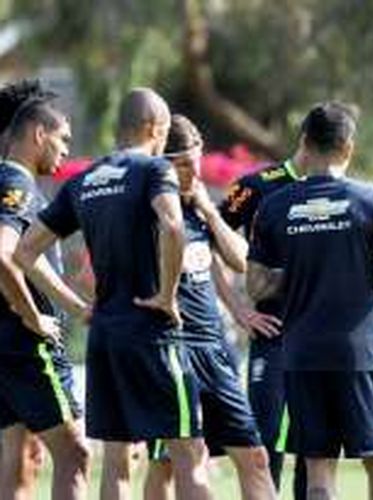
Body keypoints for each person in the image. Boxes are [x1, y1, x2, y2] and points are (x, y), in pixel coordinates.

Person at [13, 88, 211, 500]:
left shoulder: (85, 179)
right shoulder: (155, 169)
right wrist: (167, 295)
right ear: (154, 129)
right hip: (153, 333)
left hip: (105, 338)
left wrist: (78, 306)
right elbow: (174, 227)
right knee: (189, 454)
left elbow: (25, 251)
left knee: (117, 462)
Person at [247, 102, 373, 500]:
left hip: (303, 356)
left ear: (305, 142)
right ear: (349, 148)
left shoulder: (275, 206)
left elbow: (256, 285)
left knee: (318, 475)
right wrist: (359, 269)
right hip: (362, 356)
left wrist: (303, 274)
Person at [141, 115, 278, 500]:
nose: (194, 171)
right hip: (172, 347)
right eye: (182, 162)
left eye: (196, 160)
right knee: (172, 462)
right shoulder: (149, 210)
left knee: (254, 457)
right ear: (160, 161)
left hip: (215, 350)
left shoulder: (199, 208)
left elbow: (235, 262)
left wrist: (211, 211)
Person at [0, 80, 89, 500]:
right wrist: (32, 316)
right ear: (39, 134)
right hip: (24, 346)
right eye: (63, 139)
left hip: (6, 348)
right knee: (75, 453)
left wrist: (76, 306)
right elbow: (3, 255)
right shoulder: (16, 185)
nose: (66, 150)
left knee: (19, 463)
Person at [219, 123, 307, 499]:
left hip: (321, 337)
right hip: (271, 334)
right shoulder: (256, 186)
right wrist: (238, 308)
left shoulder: (340, 192)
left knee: (313, 446)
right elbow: (205, 241)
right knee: (265, 439)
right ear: (306, 141)